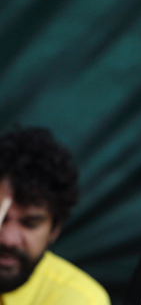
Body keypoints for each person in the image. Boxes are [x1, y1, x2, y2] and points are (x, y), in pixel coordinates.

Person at [0, 127, 109, 305]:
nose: (8, 239)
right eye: (1, 218)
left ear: (54, 229)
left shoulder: (78, 299)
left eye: (30, 224)